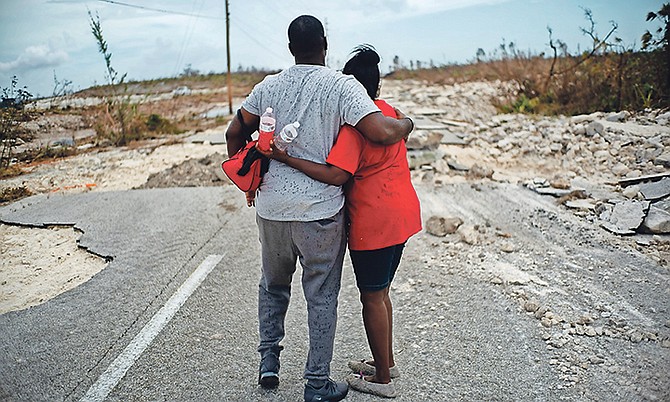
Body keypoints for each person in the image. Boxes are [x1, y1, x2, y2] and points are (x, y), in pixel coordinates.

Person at [224, 15, 413, 402]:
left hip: (273, 209)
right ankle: (316, 383)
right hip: (320, 213)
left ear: (291, 48)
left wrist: (249, 184)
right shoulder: (341, 86)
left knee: (273, 286)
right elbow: (378, 130)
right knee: (321, 296)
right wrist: (406, 124)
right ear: (324, 44)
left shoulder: (268, 86)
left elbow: (234, 132)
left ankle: (269, 363)